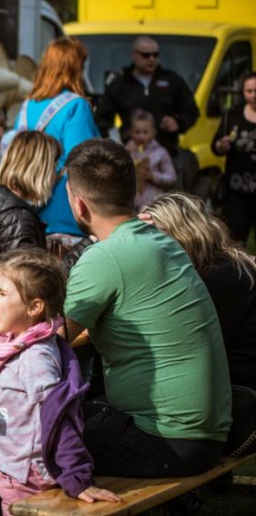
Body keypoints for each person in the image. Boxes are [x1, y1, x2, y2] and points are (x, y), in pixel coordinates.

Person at [63, 138, 232, 477]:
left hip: (164, 438)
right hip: (204, 433)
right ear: (134, 192)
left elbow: (46, 339)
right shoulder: (162, 241)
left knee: (35, 436)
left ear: (79, 205)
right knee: (72, 414)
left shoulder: (104, 256)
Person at [0, 250, 120, 515]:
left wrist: (76, 478)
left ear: (34, 307)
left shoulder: (35, 358)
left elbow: (60, 419)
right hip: (12, 468)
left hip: (27, 475)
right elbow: (7, 414)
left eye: (2, 293)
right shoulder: (13, 345)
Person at [142, 192, 256, 391]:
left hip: (235, 395)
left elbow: (172, 346)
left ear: (182, 234)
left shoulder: (220, 278)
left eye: (156, 239)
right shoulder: (227, 265)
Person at [4, 37, 99, 250]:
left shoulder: (29, 103)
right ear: (76, 67)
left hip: (27, 202)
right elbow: (81, 159)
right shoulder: (76, 105)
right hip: (63, 209)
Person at [94, 36, 200, 190]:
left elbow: (192, 111)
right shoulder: (120, 84)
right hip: (131, 158)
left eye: (156, 55)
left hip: (166, 155)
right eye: (145, 55)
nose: (151, 59)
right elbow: (102, 120)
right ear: (133, 55)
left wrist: (178, 122)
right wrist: (117, 145)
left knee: (171, 208)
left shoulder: (172, 81)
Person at [0, 131, 52, 254]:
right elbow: (29, 272)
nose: (57, 175)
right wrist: (86, 244)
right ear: (41, 170)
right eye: (53, 166)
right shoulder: (20, 217)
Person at [212, 72, 256, 244]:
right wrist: (220, 146)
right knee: (234, 242)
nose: (254, 95)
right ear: (243, 93)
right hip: (237, 192)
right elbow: (215, 145)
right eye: (249, 91)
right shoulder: (232, 116)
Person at [126, 110, 176, 209]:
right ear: (131, 132)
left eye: (145, 132)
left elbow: (172, 177)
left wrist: (153, 176)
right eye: (137, 132)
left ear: (153, 132)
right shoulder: (127, 150)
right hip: (130, 203)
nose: (141, 136)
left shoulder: (160, 152)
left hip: (151, 203)